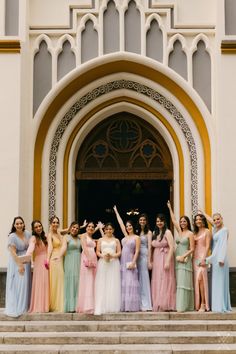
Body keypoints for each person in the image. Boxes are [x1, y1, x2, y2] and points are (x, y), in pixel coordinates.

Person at [199, 210, 231, 312]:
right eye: (215, 220)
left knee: (220, 281)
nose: (216, 221)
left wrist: (220, 259)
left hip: (220, 259)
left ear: (222, 219)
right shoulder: (215, 230)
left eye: (218, 219)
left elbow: (223, 246)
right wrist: (204, 213)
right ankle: (216, 304)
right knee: (216, 281)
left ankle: (220, 306)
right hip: (215, 258)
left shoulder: (224, 230)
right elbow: (210, 220)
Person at [167, 201, 194, 312]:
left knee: (183, 282)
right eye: (181, 221)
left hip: (184, 259)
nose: (182, 223)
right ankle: (179, 304)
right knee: (178, 282)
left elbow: (192, 248)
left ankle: (183, 306)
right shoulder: (180, 232)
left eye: (184, 221)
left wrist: (183, 256)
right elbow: (173, 220)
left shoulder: (190, 234)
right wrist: (169, 207)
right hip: (177, 259)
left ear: (187, 223)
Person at [113, 205, 140, 312]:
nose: (128, 227)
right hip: (123, 260)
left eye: (130, 226)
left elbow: (137, 250)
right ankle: (125, 305)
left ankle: (131, 305)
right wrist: (116, 211)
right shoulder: (125, 236)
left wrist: (134, 262)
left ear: (133, 227)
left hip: (130, 260)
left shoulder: (136, 237)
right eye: (127, 226)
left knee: (131, 282)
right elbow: (120, 223)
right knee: (124, 282)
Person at [5, 216, 32, 317]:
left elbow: (31, 247)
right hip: (16, 261)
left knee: (26, 284)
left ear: (24, 224)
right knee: (19, 284)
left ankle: (25, 305)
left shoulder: (28, 234)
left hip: (26, 261)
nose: (19, 225)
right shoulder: (12, 236)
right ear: (14, 225)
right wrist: (20, 265)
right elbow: (13, 253)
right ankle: (19, 307)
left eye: (21, 223)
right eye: (17, 224)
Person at [94, 223, 121, 315]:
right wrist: (103, 256)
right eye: (107, 229)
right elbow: (97, 252)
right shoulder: (100, 240)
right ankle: (103, 304)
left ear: (113, 230)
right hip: (103, 262)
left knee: (113, 282)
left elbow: (119, 252)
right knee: (103, 282)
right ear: (104, 230)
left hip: (114, 263)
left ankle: (112, 304)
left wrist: (113, 255)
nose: (109, 231)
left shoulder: (116, 240)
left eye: (110, 229)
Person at [151, 214, 176, 311]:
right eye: (157, 221)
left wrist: (168, 261)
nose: (159, 223)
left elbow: (171, 247)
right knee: (158, 279)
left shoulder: (168, 232)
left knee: (165, 279)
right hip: (157, 258)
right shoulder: (155, 232)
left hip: (165, 257)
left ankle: (166, 303)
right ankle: (158, 302)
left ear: (164, 222)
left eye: (161, 221)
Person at [27, 220, 49, 313]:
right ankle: (39, 306)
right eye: (36, 227)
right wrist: (27, 257)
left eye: (39, 226)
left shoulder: (45, 237)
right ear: (33, 229)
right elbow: (30, 249)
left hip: (47, 261)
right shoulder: (33, 238)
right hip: (39, 262)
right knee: (40, 283)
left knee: (46, 283)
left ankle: (46, 305)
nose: (38, 228)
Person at [77, 221, 98, 314]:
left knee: (93, 280)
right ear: (86, 228)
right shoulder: (83, 236)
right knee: (87, 280)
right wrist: (89, 259)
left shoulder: (91, 237)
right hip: (87, 258)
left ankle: (92, 303)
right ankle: (86, 305)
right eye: (89, 226)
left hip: (93, 258)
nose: (91, 228)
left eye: (93, 227)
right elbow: (84, 247)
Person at [47, 216, 67, 312]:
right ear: (50, 224)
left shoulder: (59, 232)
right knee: (55, 281)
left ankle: (61, 302)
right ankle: (55, 304)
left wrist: (82, 226)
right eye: (54, 222)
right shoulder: (49, 235)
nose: (55, 224)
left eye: (57, 222)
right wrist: (48, 259)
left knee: (60, 280)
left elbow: (68, 229)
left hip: (60, 258)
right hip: (54, 258)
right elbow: (50, 247)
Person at [193, 213, 211, 312]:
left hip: (202, 257)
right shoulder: (195, 233)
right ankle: (198, 303)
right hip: (195, 258)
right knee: (197, 281)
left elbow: (208, 246)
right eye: (196, 220)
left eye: (200, 219)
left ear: (203, 220)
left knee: (201, 280)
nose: (198, 221)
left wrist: (204, 258)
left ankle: (203, 304)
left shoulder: (207, 231)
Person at [64, 221, 82, 312]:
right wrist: (58, 256)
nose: (75, 229)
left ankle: (77, 305)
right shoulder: (66, 237)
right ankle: (70, 306)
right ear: (70, 228)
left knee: (77, 282)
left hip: (78, 260)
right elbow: (63, 248)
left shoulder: (79, 238)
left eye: (77, 228)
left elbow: (89, 234)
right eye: (73, 227)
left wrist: (99, 228)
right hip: (69, 260)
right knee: (70, 281)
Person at [136, 214, 152, 311]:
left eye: (143, 220)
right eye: (140, 220)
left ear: (146, 221)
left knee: (144, 278)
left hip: (144, 255)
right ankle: (138, 302)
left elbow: (150, 246)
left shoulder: (149, 232)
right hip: (137, 256)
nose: (142, 221)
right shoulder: (137, 232)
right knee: (137, 278)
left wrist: (149, 260)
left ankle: (146, 303)